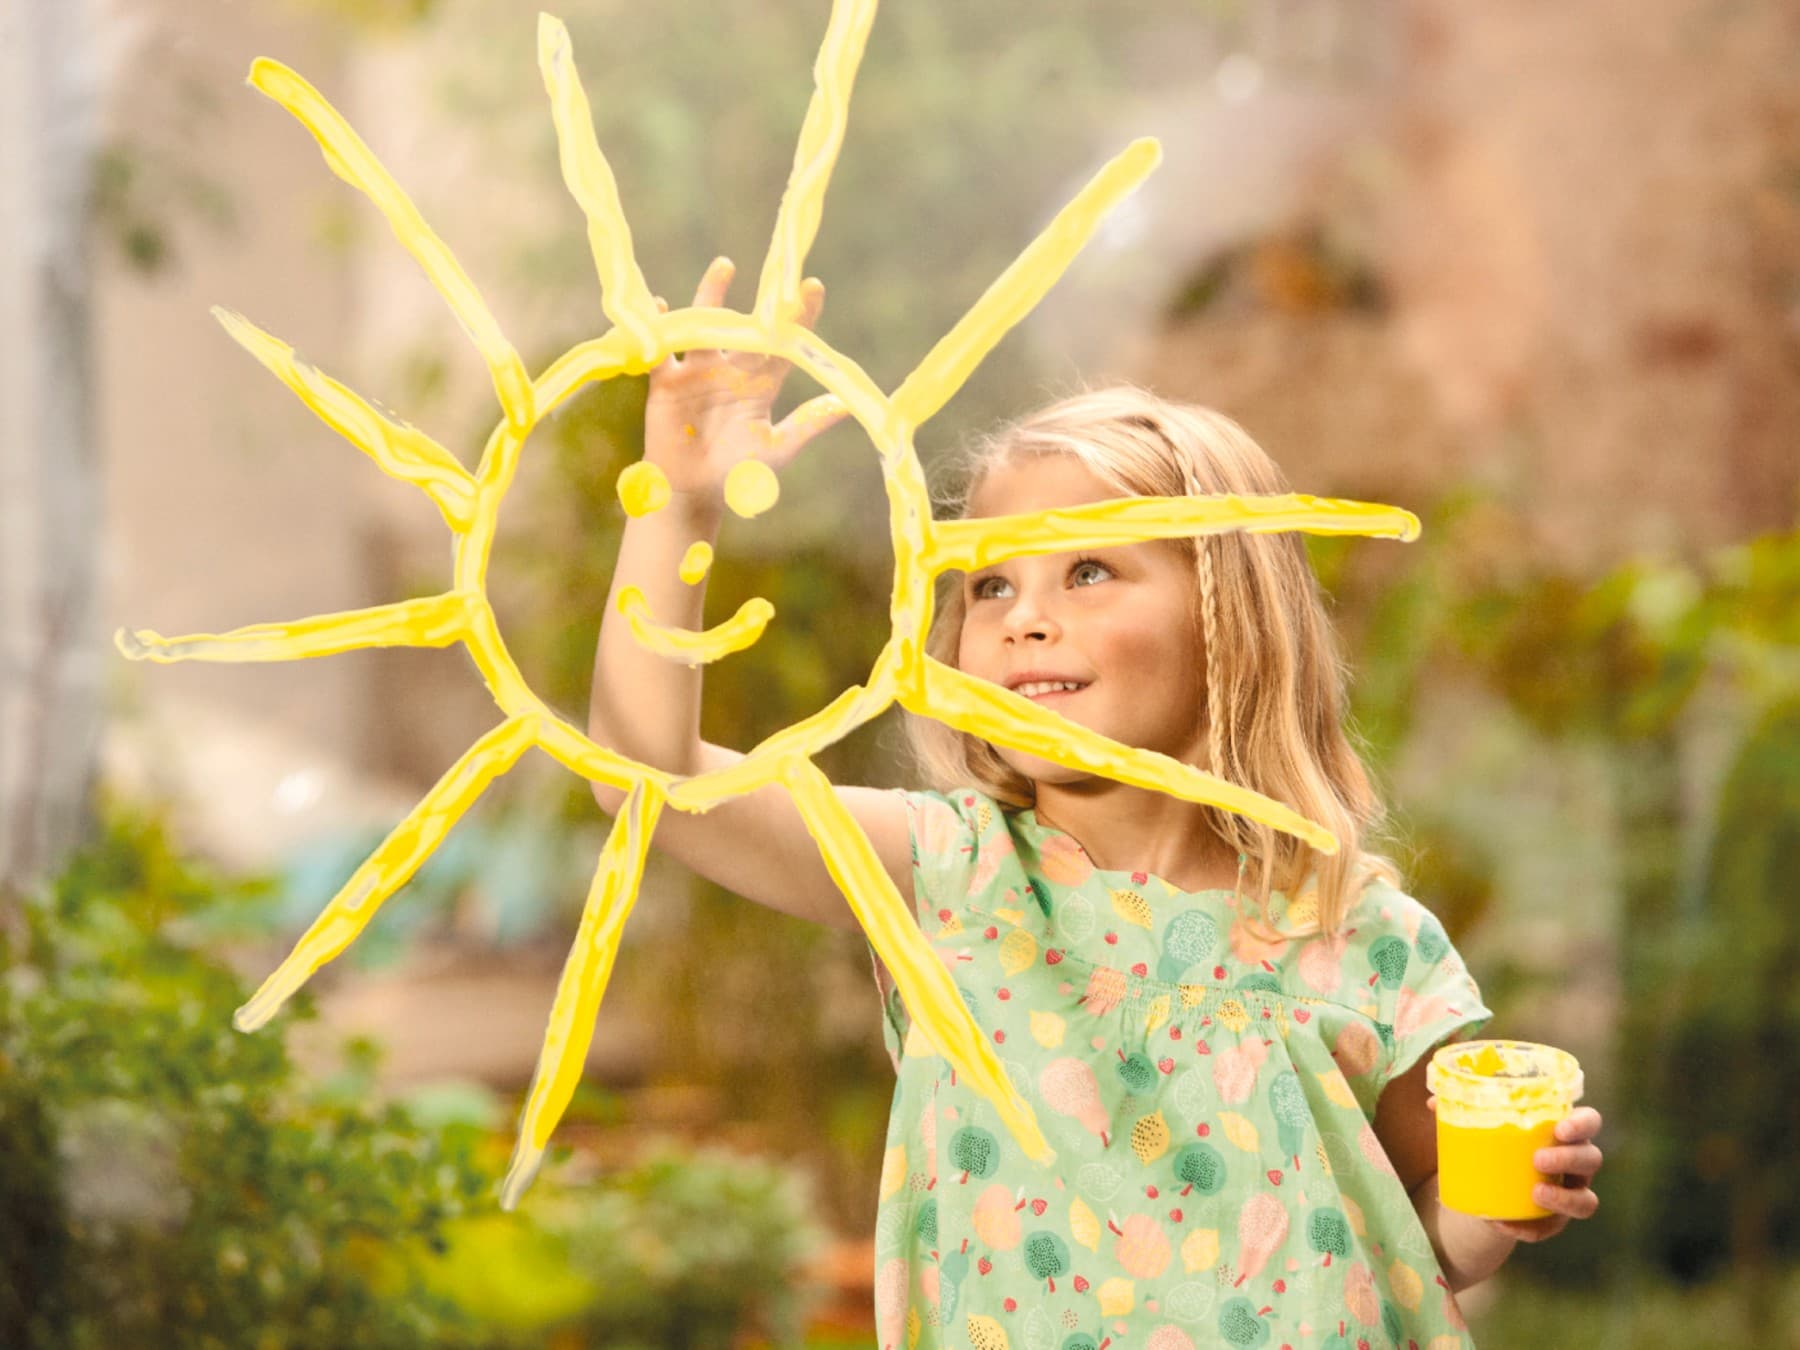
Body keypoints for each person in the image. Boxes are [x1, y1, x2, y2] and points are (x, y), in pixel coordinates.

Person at [586, 257, 1604, 1347]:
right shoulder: (951, 879)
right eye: (990, 585)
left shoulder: (1367, 940)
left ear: (1229, 615)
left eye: (1086, 574)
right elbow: (651, 777)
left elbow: (1413, 1241)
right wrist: (680, 505)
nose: (1025, 618)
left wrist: (1493, 1214)